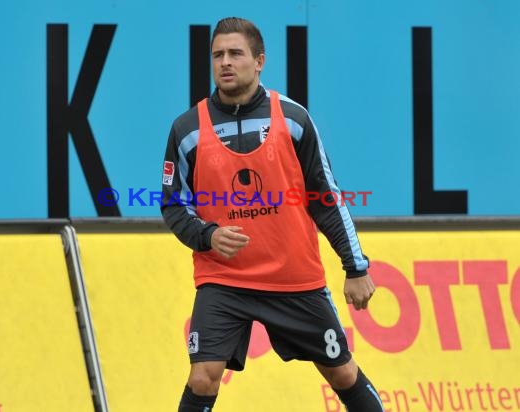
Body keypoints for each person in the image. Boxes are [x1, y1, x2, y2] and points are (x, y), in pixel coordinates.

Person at [161, 17, 384, 412]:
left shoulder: (295, 120)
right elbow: (173, 204)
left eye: (235, 54)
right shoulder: (187, 129)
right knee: (203, 376)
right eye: (217, 55)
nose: (225, 63)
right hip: (224, 279)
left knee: (342, 373)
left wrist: (356, 266)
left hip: (293, 277)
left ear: (259, 61)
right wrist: (207, 235)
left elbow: (326, 198)